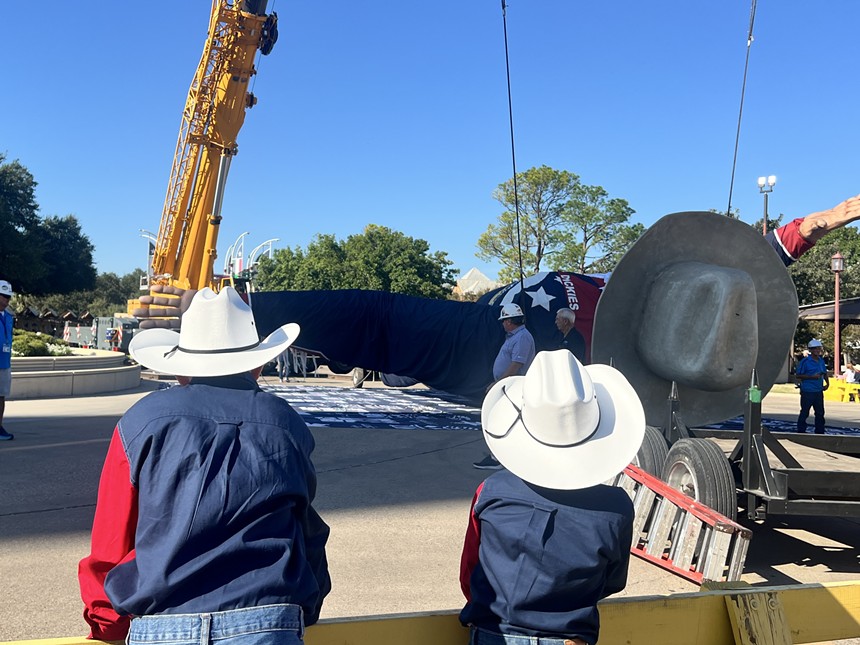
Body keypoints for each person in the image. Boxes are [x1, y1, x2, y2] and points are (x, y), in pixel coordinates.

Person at [79, 287, 331, 644]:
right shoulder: (286, 423)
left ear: (181, 367)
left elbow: (112, 538)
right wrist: (307, 604)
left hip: (164, 622)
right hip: (268, 616)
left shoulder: (141, 421)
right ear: (257, 364)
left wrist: (106, 622)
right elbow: (305, 527)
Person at [459, 350, 645, 645]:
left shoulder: (490, 492)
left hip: (492, 633)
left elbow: (470, 571)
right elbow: (611, 581)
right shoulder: (616, 509)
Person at [473, 303, 536, 470]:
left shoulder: (522, 337)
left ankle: (499, 457)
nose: (502, 324)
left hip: (511, 386)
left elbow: (516, 364)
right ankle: (501, 455)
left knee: (503, 420)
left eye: (503, 320)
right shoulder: (516, 336)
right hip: (507, 385)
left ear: (509, 321)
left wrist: (498, 382)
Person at [795, 338, 829, 434]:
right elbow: (798, 375)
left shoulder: (821, 361)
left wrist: (827, 383)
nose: (818, 351)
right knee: (805, 411)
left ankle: (820, 430)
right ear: (811, 350)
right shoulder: (805, 362)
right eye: (815, 349)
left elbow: (824, 373)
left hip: (818, 390)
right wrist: (811, 377)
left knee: (820, 412)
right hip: (808, 391)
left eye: (819, 349)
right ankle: (801, 430)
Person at [0, 280, 14, 441]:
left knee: (1, 397)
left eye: (8, 297)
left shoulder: (9, 317)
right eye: (3, 296)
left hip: (4, 362)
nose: (6, 300)